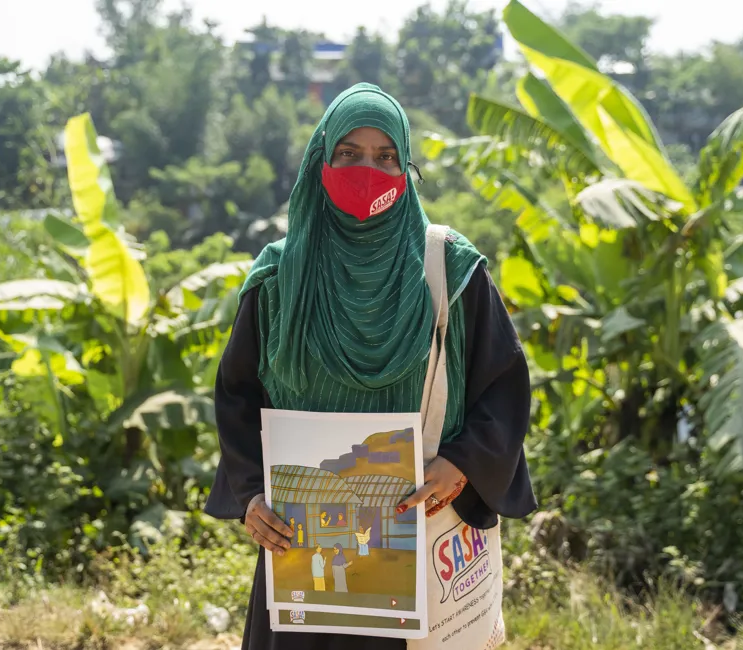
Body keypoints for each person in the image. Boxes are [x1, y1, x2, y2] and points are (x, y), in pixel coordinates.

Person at [205, 82, 537, 650]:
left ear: (407, 169)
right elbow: (238, 395)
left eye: (386, 157)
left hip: (417, 543)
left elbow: (503, 387)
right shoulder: (278, 279)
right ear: (321, 162)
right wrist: (252, 494)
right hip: (302, 558)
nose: (368, 171)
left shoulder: (450, 270)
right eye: (349, 155)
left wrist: (461, 464)